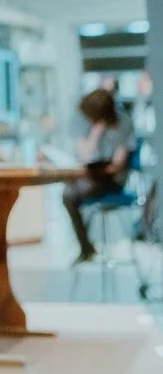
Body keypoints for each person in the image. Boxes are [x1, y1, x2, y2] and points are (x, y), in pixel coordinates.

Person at [64, 88, 136, 265]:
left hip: (113, 179)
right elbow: (85, 152)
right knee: (67, 193)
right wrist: (96, 132)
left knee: (75, 192)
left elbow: (117, 164)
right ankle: (86, 247)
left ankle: (87, 249)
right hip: (94, 176)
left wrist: (99, 170)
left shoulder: (124, 123)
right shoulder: (94, 125)